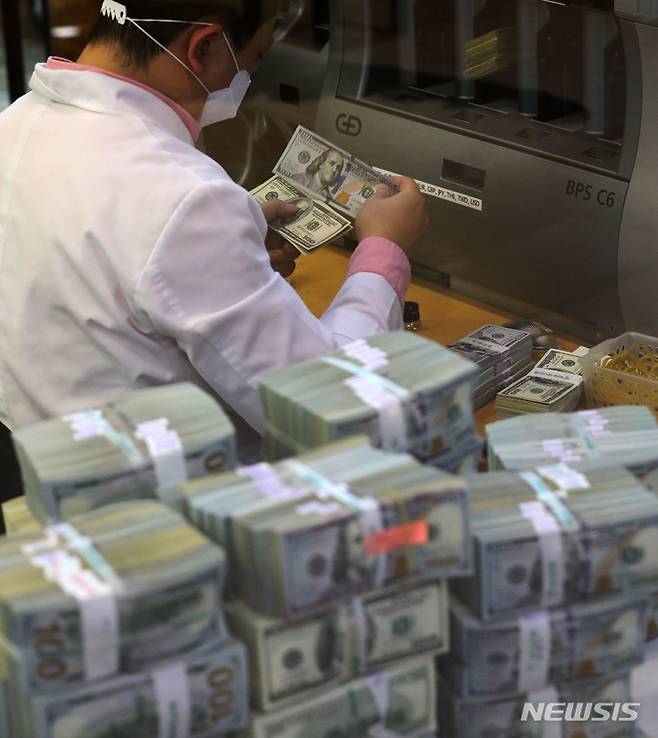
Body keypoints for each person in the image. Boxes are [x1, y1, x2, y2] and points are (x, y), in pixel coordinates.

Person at [0, 0, 428, 464]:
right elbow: (333, 413)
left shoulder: (15, 124)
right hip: (169, 491)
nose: (247, 78)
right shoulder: (187, 200)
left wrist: (228, 248)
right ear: (203, 48)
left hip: (42, 464)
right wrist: (382, 252)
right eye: (254, 59)